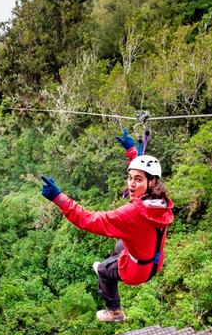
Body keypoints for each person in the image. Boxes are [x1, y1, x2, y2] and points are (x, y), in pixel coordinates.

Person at [39, 129, 174, 322]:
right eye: (130, 178)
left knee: (103, 270)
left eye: (138, 180)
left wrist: (59, 199)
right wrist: (132, 153)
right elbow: (142, 173)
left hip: (137, 272)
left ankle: (115, 312)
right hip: (154, 257)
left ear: (152, 182)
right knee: (120, 244)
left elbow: (91, 220)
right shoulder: (161, 201)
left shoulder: (132, 214)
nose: (131, 184)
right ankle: (114, 262)